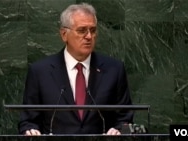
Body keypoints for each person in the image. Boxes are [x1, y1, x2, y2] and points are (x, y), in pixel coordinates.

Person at [18, 2, 134, 135]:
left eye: (93, 30)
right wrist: (31, 132)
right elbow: (28, 121)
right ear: (64, 34)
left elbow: (125, 118)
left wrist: (119, 130)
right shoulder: (40, 72)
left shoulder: (114, 70)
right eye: (82, 30)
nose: (89, 36)